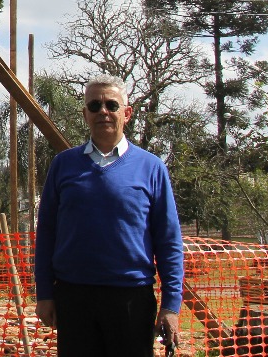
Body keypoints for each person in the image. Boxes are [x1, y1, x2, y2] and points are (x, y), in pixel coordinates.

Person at [34, 74, 184, 357]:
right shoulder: (63, 166)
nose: (103, 111)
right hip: (74, 297)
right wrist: (44, 293)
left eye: (111, 105)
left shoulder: (151, 168)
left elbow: (169, 241)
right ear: (85, 114)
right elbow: (47, 234)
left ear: (126, 113)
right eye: (94, 106)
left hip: (131, 299)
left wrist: (171, 305)